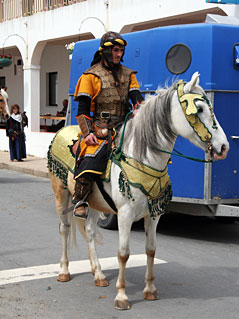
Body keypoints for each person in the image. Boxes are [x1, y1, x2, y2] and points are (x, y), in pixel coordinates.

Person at [73, 31, 144, 218]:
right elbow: (82, 111)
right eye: (115, 50)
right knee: (91, 156)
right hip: (99, 129)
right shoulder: (90, 76)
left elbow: (137, 99)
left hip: (125, 126)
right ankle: (80, 199)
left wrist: (139, 108)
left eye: (121, 50)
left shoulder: (129, 74)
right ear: (105, 51)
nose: (119, 54)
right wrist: (87, 133)